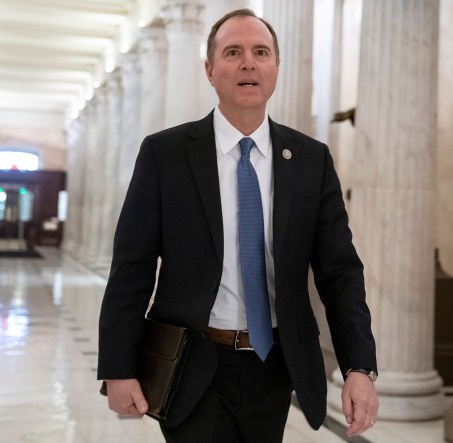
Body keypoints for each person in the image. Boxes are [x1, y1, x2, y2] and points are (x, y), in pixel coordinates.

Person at [97, 8, 378, 443]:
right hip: (191, 363)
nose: (248, 62)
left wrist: (359, 366)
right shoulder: (166, 154)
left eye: (260, 51)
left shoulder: (310, 160)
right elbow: (131, 267)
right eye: (233, 52)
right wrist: (118, 368)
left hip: (275, 366)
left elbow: (340, 271)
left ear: (276, 68)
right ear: (210, 71)